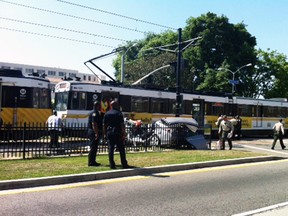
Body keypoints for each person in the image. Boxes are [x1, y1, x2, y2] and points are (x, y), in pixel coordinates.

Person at [103, 99, 129, 169]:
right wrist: (124, 133)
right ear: (116, 105)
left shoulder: (107, 113)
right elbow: (122, 125)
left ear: (111, 105)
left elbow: (104, 125)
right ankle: (124, 163)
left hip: (110, 132)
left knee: (111, 149)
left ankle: (112, 164)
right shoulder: (119, 113)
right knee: (121, 149)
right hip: (117, 132)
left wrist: (105, 134)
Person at [87, 101, 102, 166]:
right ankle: (91, 162)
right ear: (97, 106)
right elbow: (94, 124)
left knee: (94, 147)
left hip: (91, 131)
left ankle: (93, 161)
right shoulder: (95, 113)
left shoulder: (91, 112)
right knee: (93, 147)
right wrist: (96, 133)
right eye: (99, 106)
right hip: (93, 131)